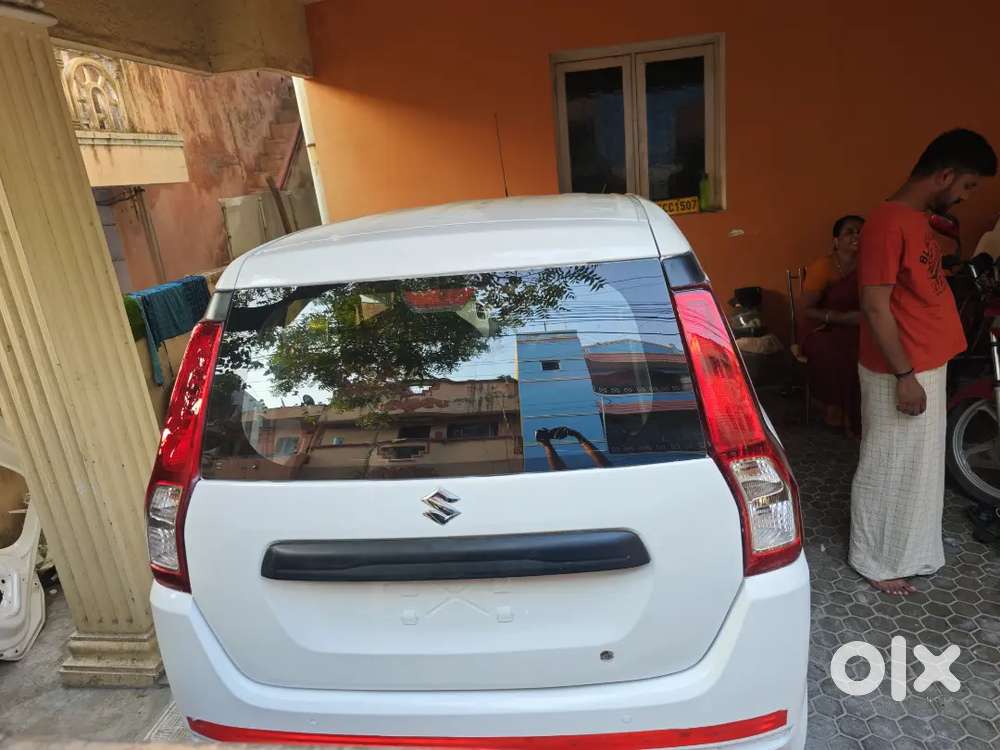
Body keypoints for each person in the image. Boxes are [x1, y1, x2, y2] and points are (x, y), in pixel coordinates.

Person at [851, 129, 997, 595]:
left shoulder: (915, 219)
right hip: (901, 369)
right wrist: (904, 376)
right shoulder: (885, 223)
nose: (965, 196)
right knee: (889, 464)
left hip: (922, 364)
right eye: (967, 186)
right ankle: (875, 559)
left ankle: (909, 551)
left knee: (918, 467)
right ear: (945, 175)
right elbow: (875, 306)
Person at [800, 215, 865, 435]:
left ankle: (865, 414)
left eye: (861, 232)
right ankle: (837, 411)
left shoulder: (871, 265)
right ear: (836, 240)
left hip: (860, 325)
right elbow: (807, 309)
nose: (857, 236)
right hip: (823, 327)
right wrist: (842, 318)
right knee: (836, 352)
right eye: (850, 232)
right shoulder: (823, 266)